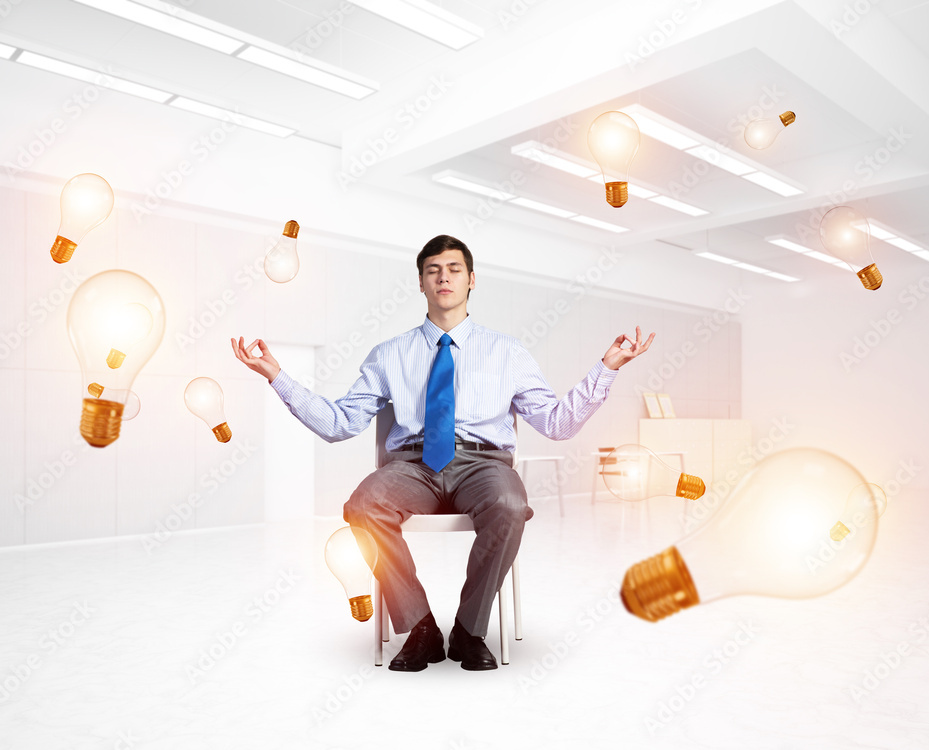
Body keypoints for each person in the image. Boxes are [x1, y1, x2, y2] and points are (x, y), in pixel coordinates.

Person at [231, 234, 655, 672]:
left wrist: (607, 369)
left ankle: (469, 631)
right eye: (433, 270)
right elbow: (340, 424)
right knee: (363, 504)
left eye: (454, 269)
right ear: (420, 283)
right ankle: (420, 629)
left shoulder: (508, 352)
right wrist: (276, 376)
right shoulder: (389, 354)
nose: (444, 277)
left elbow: (557, 423)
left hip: (484, 465)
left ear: (472, 280)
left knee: (510, 504)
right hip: (412, 467)